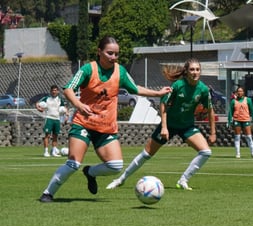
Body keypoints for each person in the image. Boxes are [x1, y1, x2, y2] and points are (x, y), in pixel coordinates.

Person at [39, 35, 172, 202]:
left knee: (115, 166)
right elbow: (68, 89)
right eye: (110, 53)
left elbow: (134, 88)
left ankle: (90, 172)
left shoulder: (120, 71)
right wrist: (79, 105)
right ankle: (47, 193)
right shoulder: (88, 69)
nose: (114, 57)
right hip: (84, 124)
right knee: (73, 164)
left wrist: (158, 93)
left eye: (116, 54)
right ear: (99, 52)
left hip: (106, 127)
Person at [107, 58, 216, 191]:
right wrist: (164, 127)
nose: (195, 72)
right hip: (169, 124)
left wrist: (213, 133)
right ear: (186, 71)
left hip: (187, 126)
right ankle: (120, 179)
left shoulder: (203, 89)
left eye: (197, 69)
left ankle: (183, 180)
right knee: (147, 154)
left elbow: (210, 111)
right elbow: (163, 104)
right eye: (192, 69)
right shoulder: (178, 85)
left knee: (205, 152)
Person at [227, 86, 253, 159]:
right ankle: (238, 153)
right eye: (238, 91)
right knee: (237, 137)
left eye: (241, 91)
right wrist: (229, 121)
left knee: (249, 137)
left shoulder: (248, 100)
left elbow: (252, 110)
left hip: (246, 120)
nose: (239, 92)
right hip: (237, 120)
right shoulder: (233, 101)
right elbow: (230, 112)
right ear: (236, 92)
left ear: (243, 92)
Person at [36, 85, 67, 157]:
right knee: (47, 135)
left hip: (57, 119)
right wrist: (39, 108)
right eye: (53, 90)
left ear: (58, 91)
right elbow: (37, 103)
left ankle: (53, 151)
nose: (54, 92)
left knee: (55, 136)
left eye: (55, 90)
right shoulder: (47, 98)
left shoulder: (60, 99)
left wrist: (67, 115)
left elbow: (64, 108)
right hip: (49, 118)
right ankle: (46, 151)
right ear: (50, 91)